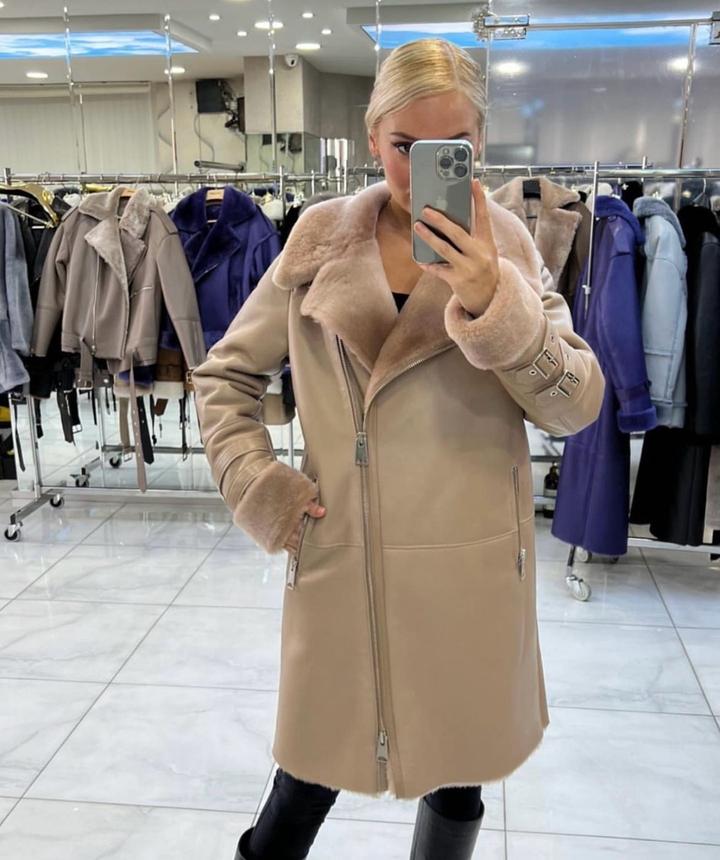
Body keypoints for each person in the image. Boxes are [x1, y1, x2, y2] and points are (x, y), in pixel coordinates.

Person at [193, 38, 605, 860]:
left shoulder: (510, 249)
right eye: (404, 146)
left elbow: (575, 405)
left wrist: (495, 302)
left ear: (478, 143)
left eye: (449, 147)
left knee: (458, 782)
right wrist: (262, 489)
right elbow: (223, 378)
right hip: (343, 563)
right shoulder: (319, 242)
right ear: (372, 136)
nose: (422, 172)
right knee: (305, 779)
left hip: (470, 576)